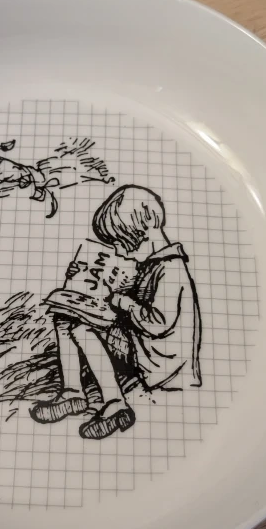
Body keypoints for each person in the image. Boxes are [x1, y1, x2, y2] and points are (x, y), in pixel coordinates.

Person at [30, 184, 202, 440]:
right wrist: (82, 277)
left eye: (121, 244)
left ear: (144, 233)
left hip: (161, 364)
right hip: (143, 347)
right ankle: (73, 393)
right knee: (64, 319)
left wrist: (122, 302)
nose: (118, 252)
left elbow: (159, 324)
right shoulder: (153, 264)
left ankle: (115, 404)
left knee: (82, 329)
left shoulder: (170, 269)